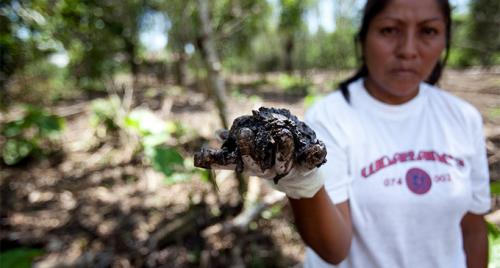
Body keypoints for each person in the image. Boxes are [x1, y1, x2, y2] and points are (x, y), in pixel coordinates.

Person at [208, 0, 490, 267]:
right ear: (363, 37)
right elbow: (334, 249)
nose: (407, 49)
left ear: (445, 39)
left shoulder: (463, 118)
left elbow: (474, 232)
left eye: (428, 31)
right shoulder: (331, 115)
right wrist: (301, 182)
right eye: (389, 30)